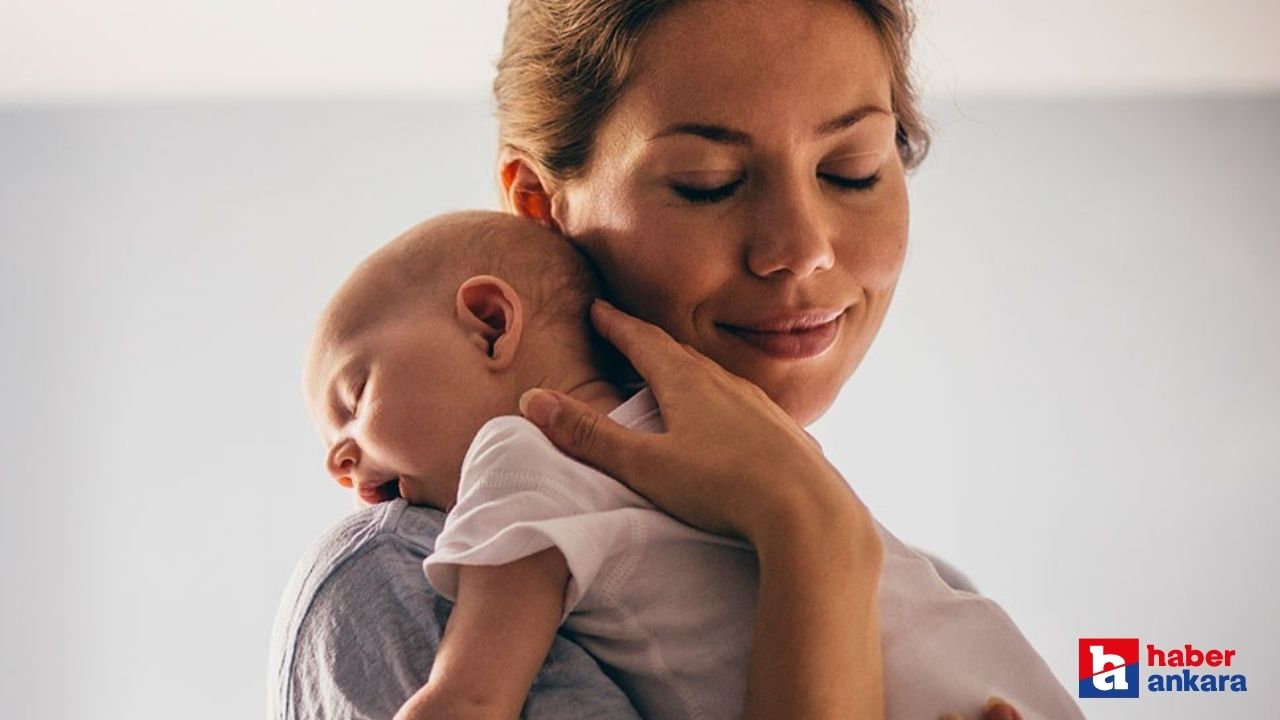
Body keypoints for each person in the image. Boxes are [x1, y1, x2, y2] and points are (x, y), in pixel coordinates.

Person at [268, 1, 1070, 718]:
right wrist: (812, 536)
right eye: (707, 183)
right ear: (541, 208)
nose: (800, 251)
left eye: (849, 170)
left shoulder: (932, 593)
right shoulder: (397, 578)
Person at [299, 209, 1081, 720]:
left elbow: (470, 697)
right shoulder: (738, 440)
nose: (340, 459)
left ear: (492, 322)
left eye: (354, 395)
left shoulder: (523, 453)